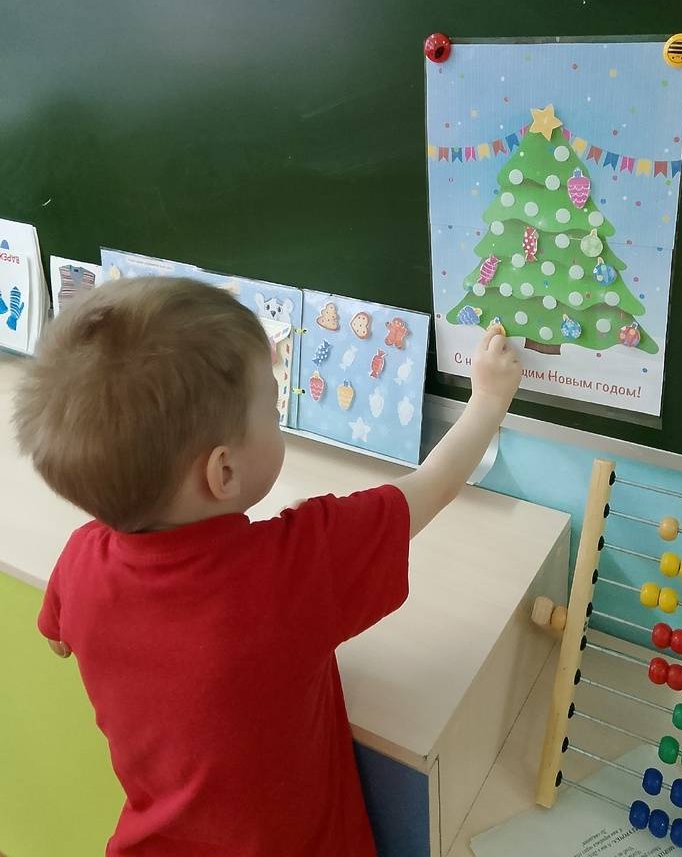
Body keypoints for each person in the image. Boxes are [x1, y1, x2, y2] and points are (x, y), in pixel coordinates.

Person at [15, 277, 521, 856]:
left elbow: (57, 632)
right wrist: (488, 400)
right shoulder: (294, 568)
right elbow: (432, 486)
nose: (278, 416)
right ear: (223, 472)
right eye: (274, 409)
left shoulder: (83, 558)